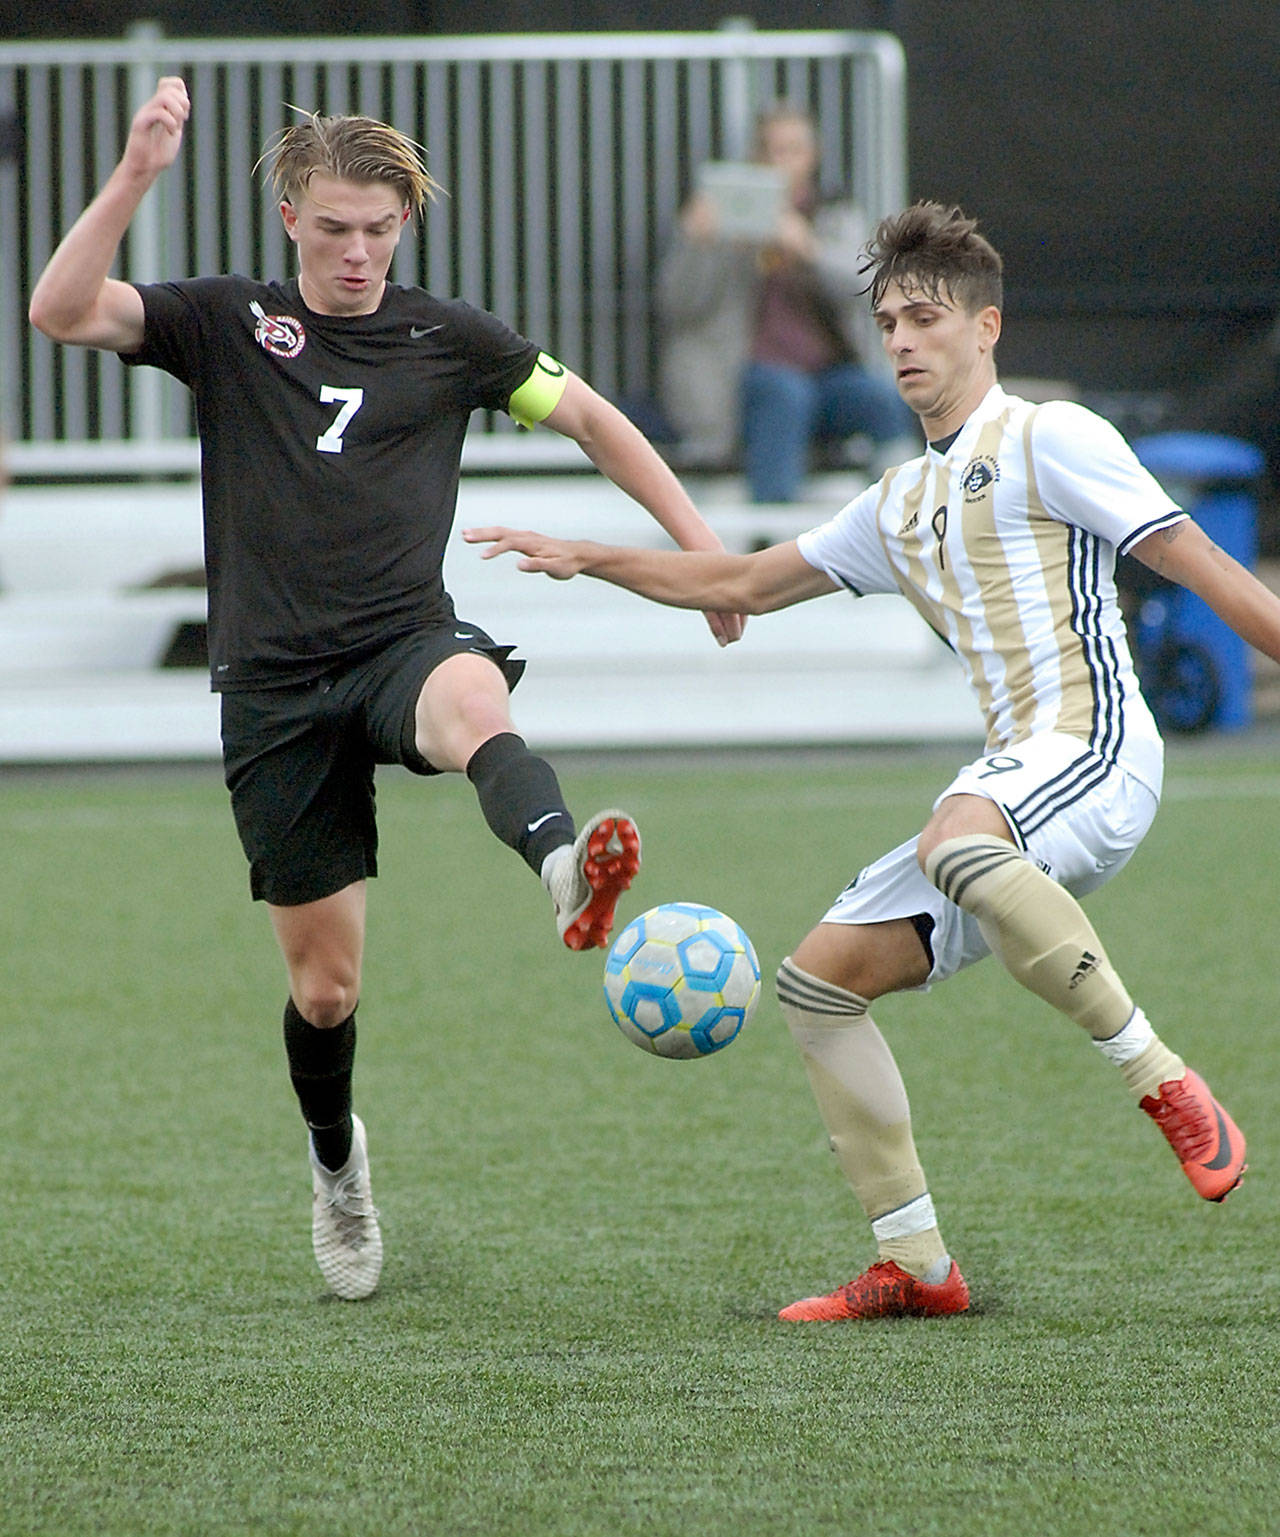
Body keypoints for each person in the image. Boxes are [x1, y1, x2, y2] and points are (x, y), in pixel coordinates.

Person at [469, 200, 1280, 1321]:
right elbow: (743, 585)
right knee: (815, 984)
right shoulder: (899, 503)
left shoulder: (1050, 436)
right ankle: (918, 1264)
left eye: (925, 319)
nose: (901, 340)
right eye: (888, 321)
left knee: (956, 831)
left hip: (1092, 750)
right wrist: (585, 555)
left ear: (985, 327)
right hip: (1008, 793)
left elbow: (1200, 567)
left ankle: (1163, 1083)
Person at [28, 77, 744, 1303]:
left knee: (475, 705)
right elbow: (60, 310)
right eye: (333, 228)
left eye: (379, 229)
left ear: (404, 221)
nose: (357, 252)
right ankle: (337, 1167)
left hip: (399, 640)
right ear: (292, 219)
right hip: (272, 686)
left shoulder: (447, 336)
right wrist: (138, 171)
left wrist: (703, 556)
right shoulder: (223, 322)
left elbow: (593, 419)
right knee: (325, 988)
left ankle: (568, 868)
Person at [656, 103, 915, 501]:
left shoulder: (832, 215)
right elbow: (677, 305)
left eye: (793, 150)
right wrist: (699, 245)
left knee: (880, 397)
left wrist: (811, 251)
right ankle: (772, 533)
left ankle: (906, 513)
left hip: (827, 374)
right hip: (745, 377)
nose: (782, 163)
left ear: (812, 156)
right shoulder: (719, 219)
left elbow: (871, 287)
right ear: (756, 157)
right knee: (785, 395)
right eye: (772, 151)